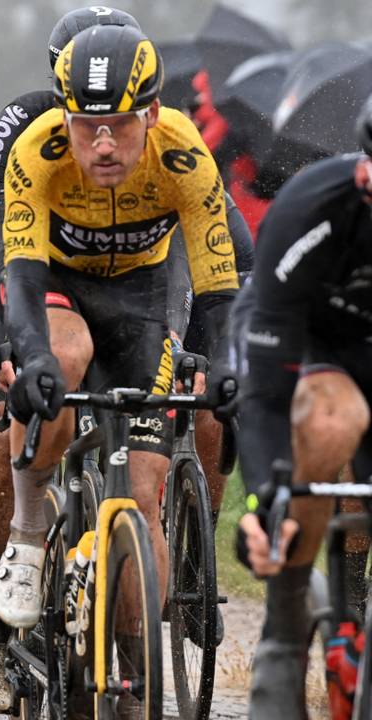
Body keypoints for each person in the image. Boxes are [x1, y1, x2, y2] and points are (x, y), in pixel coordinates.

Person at [0, 27, 238, 711]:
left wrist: (218, 363)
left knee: (143, 488)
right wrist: (34, 355)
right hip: (59, 289)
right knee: (62, 359)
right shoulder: (37, 149)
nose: (102, 145)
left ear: (151, 115)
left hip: (137, 302)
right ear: (65, 117)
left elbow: (218, 281)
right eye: (87, 126)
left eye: (119, 127)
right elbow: (18, 272)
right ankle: (25, 538)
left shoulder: (184, 153)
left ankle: (133, 658)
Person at [232, 96, 372, 720]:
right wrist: (266, 498)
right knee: (330, 420)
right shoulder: (313, 206)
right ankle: (287, 626)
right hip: (313, 347)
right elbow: (264, 394)